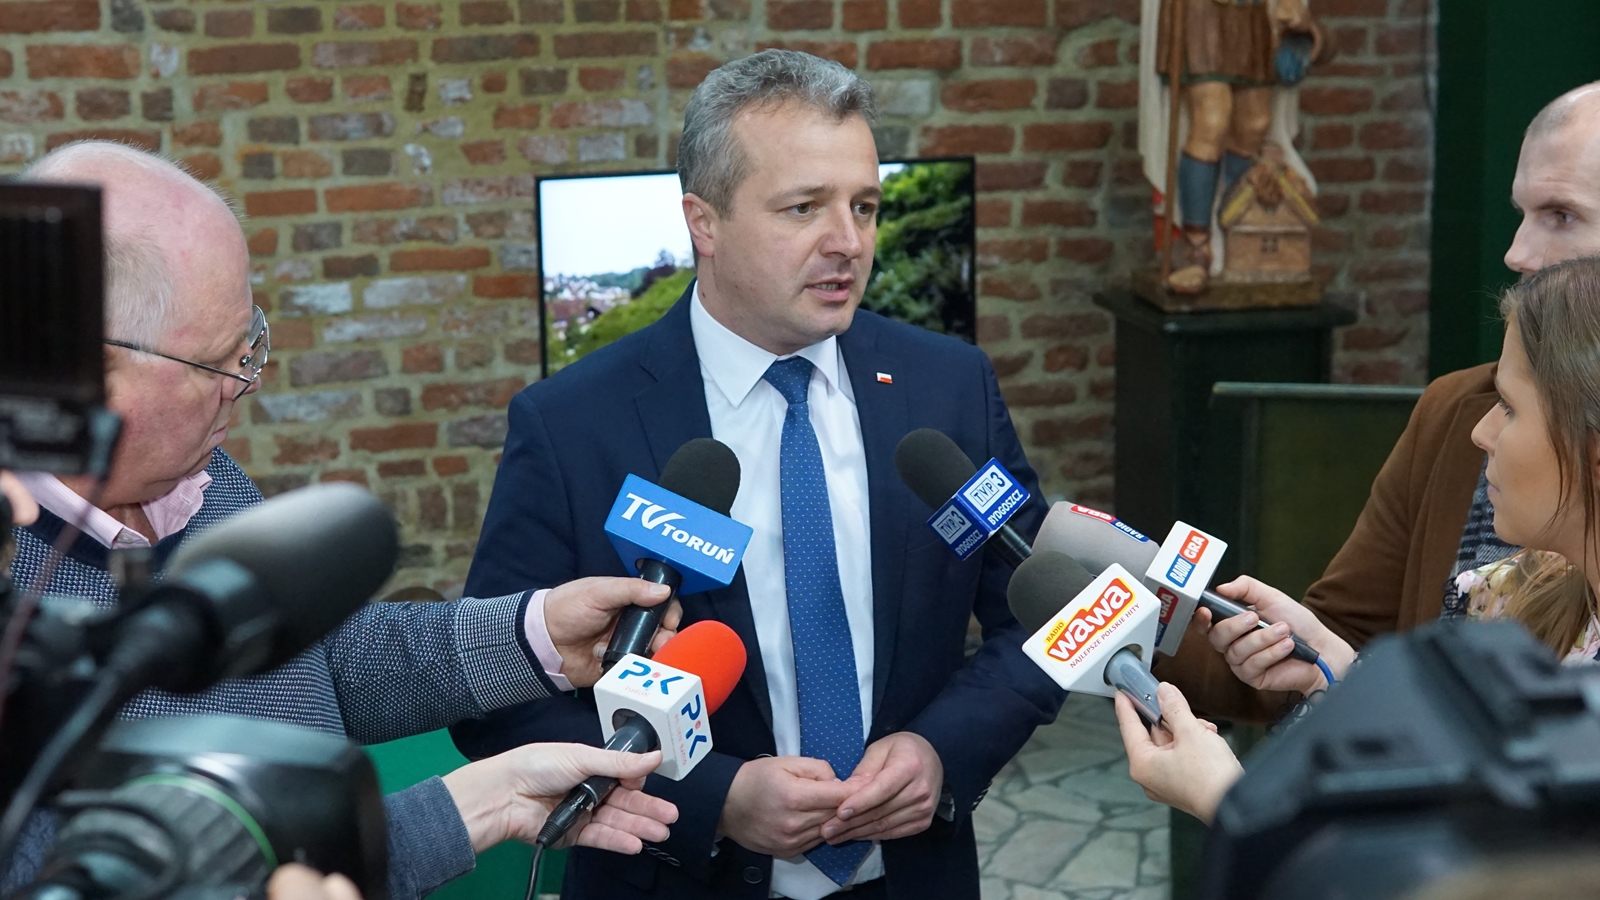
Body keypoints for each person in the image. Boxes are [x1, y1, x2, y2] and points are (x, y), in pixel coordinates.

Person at [451, 49, 1066, 900]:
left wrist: (942, 751)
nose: (847, 242)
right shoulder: (572, 425)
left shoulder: (949, 387)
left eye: (864, 206)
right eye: (804, 208)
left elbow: (1043, 612)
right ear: (703, 223)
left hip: (912, 877)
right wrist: (716, 799)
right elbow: (498, 694)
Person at [3, 142, 681, 899]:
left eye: (251, 341)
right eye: (220, 363)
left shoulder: (199, 476)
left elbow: (312, 671)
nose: (246, 384)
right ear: (86, 366)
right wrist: (465, 810)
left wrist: (538, 635)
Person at [1153, 80, 1600, 721]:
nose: (1517, 253)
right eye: (1521, 213)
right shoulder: (1457, 414)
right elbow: (1345, 645)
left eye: (1562, 216)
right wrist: (1141, 621)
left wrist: (1222, 784)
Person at [1121, 255, 1600, 824]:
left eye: (1509, 407)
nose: (1481, 431)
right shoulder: (1519, 590)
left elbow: (1474, 859)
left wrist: (1227, 803)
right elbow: (1453, 774)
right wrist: (1334, 669)